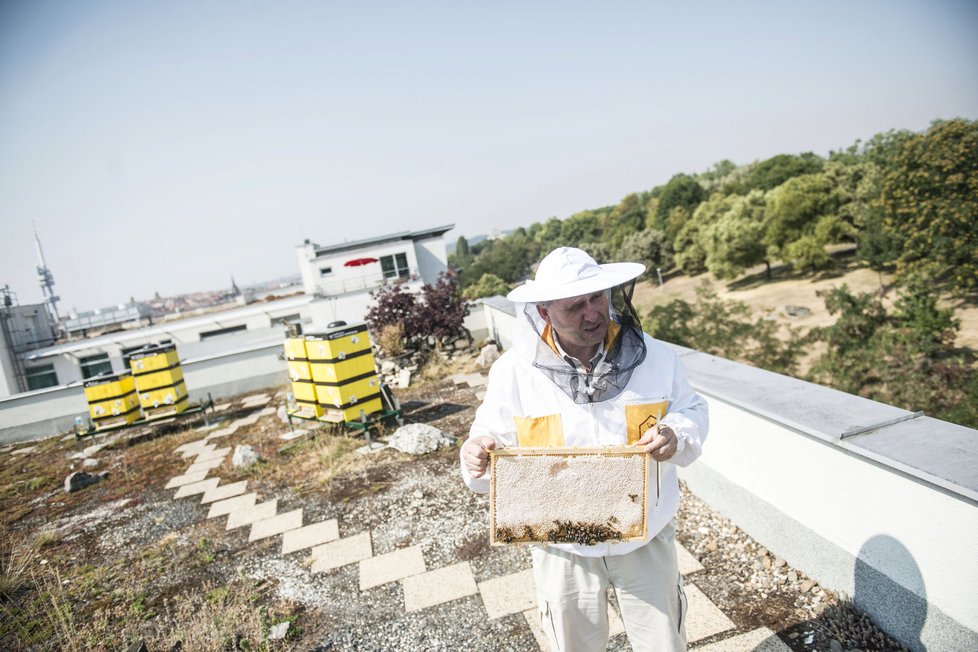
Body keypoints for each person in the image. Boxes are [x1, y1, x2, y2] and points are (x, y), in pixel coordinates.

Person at [460, 246, 709, 651]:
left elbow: (693, 409)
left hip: (646, 537)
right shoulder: (514, 372)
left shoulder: (657, 357)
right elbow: (487, 439)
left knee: (664, 642)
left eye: (597, 298)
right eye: (575, 306)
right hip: (563, 548)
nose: (592, 313)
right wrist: (477, 454)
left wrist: (676, 432)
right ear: (544, 313)